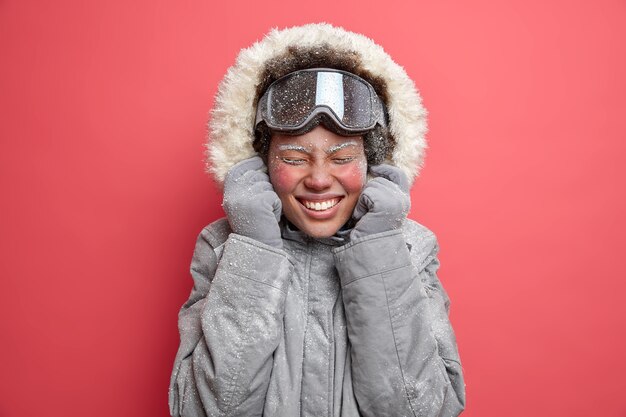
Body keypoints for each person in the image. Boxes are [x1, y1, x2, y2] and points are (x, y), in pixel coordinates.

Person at [169, 23, 465, 417]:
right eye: (294, 159)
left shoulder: (410, 248)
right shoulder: (224, 245)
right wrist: (253, 247)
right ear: (262, 165)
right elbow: (201, 411)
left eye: (342, 158)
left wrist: (379, 252)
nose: (320, 179)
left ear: (372, 165)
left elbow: (424, 411)